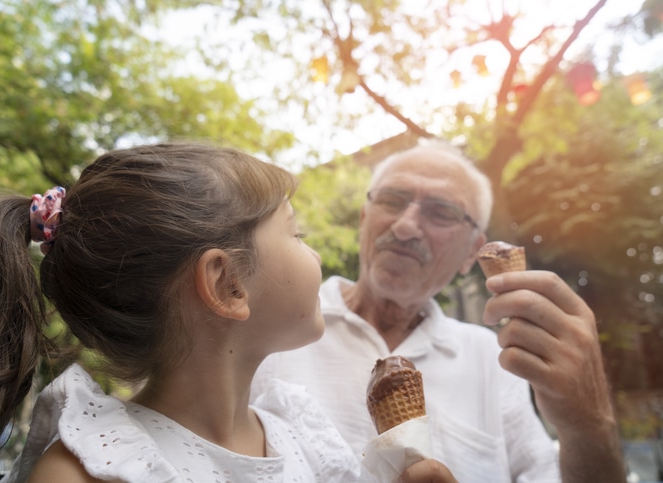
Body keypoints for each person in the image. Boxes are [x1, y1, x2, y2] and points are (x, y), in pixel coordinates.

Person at [0, 141, 457, 483]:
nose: (317, 255)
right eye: (297, 234)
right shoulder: (93, 468)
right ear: (226, 283)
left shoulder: (306, 437)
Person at [252, 139, 626, 483]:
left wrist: (589, 425)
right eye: (393, 200)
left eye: (441, 212)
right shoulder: (271, 329)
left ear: (471, 252)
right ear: (365, 219)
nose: (405, 226)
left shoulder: (493, 358)